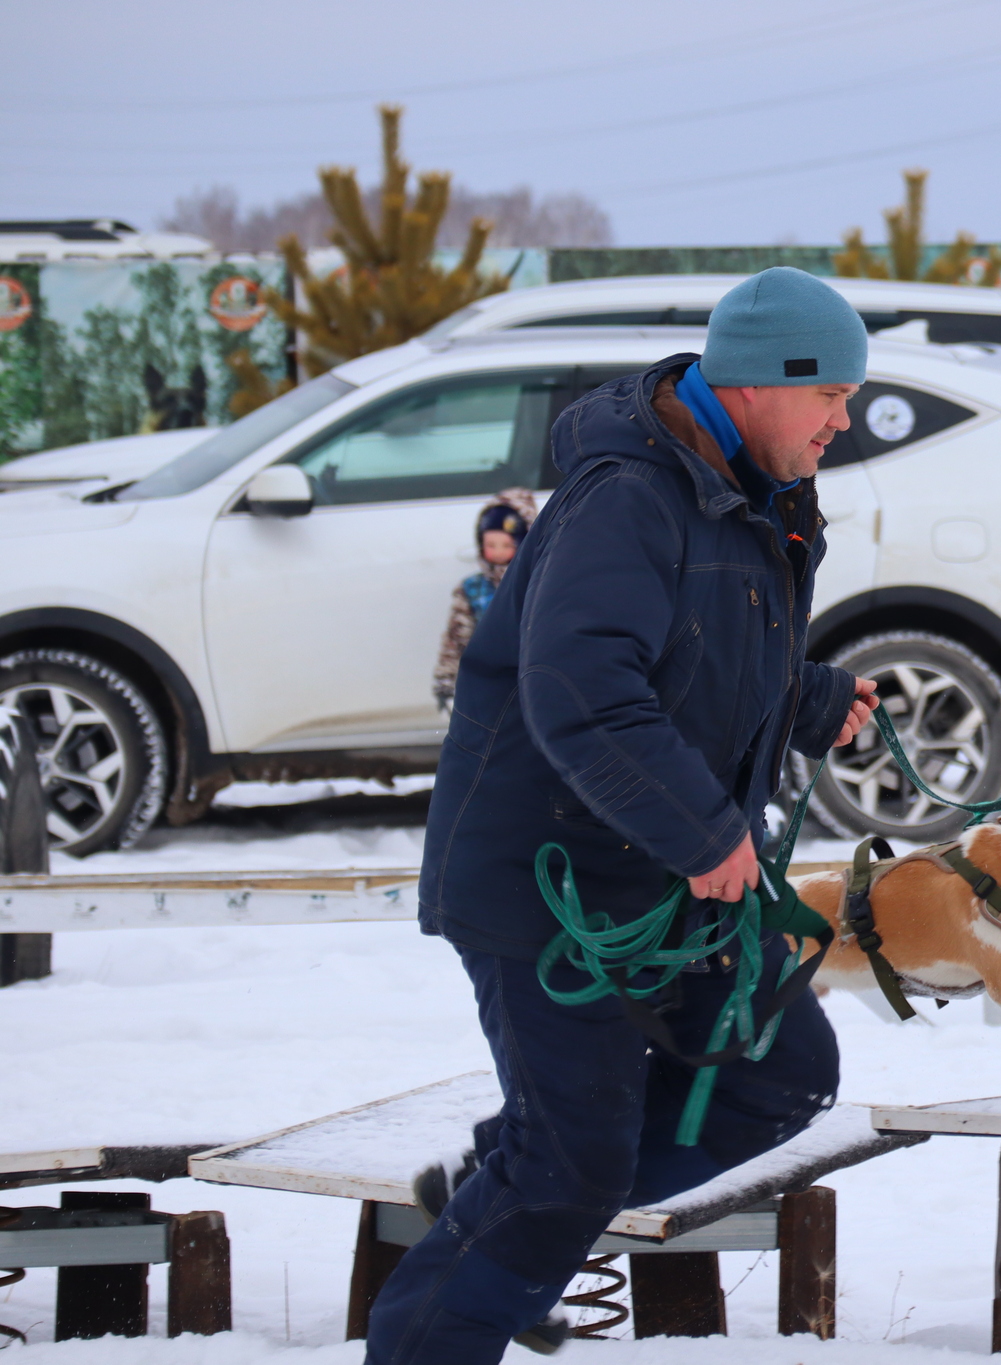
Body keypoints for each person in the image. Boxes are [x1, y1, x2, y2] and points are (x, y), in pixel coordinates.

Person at [366, 267, 881, 1364]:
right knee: (569, 1166)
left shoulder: (747, 488)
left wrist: (811, 697)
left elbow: (697, 658)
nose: (845, 419)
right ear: (753, 384)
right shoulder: (629, 497)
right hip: (548, 888)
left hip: (657, 882)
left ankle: (501, 1201)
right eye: (829, 394)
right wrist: (703, 830)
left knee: (777, 1075)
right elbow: (584, 694)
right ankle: (441, 1321)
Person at [432, 489, 536, 712]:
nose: (498, 553)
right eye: (491, 545)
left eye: (507, 545)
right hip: (491, 686)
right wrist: (446, 684)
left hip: (537, 684)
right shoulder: (473, 590)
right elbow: (456, 638)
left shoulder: (540, 585)